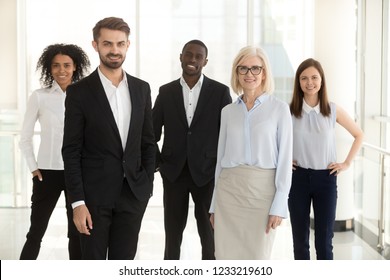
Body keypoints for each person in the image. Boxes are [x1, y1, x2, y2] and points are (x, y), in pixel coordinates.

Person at [62, 17, 155, 260]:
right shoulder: (78, 92)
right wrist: (77, 202)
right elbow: (71, 150)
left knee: (124, 264)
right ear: (95, 45)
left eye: (120, 44)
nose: (114, 50)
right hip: (93, 198)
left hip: (133, 195)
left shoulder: (141, 89)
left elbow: (148, 142)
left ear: (128, 45)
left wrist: (146, 185)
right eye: (107, 44)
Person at [209, 46, 293, 260]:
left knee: (258, 258)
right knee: (226, 259)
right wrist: (213, 205)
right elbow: (220, 160)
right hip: (228, 194)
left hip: (262, 195)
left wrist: (280, 204)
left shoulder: (279, 109)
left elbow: (285, 160)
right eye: (243, 69)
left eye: (255, 68)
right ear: (236, 73)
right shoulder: (227, 112)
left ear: (264, 73)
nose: (249, 74)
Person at [153, 40, 231, 260]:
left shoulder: (220, 92)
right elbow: (151, 132)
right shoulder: (166, 91)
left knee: (209, 233)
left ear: (205, 62)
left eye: (198, 57)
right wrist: (158, 162)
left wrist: (222, 167)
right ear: (181, 57)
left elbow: (229, 134)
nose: (192, 60)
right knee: (172, 234)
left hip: (207, 173)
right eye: (189, 55)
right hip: (173, 173)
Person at [19, 43, 90, 260]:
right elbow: (24, 138)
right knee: (36, 232)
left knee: (77, 233)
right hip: (47, 173)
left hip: (77, 173)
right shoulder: (40, 96)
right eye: (56, 65)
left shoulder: (86, 96)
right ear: (49, 68)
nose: (62, 70)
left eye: (67, 65)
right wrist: (33, 168)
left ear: (75, 66)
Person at [288, 58, 364, 260]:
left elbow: (359, 134)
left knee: (324, 241)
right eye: (304, 78)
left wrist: (346, 163)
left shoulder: (332, 110)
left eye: (314, 77)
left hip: (326, 180)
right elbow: (274, 141)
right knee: (300, 242)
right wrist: (283, 160)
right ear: (298, 82)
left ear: (322, 81)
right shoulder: (289, 111)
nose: (309, 82)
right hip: (298, 179)